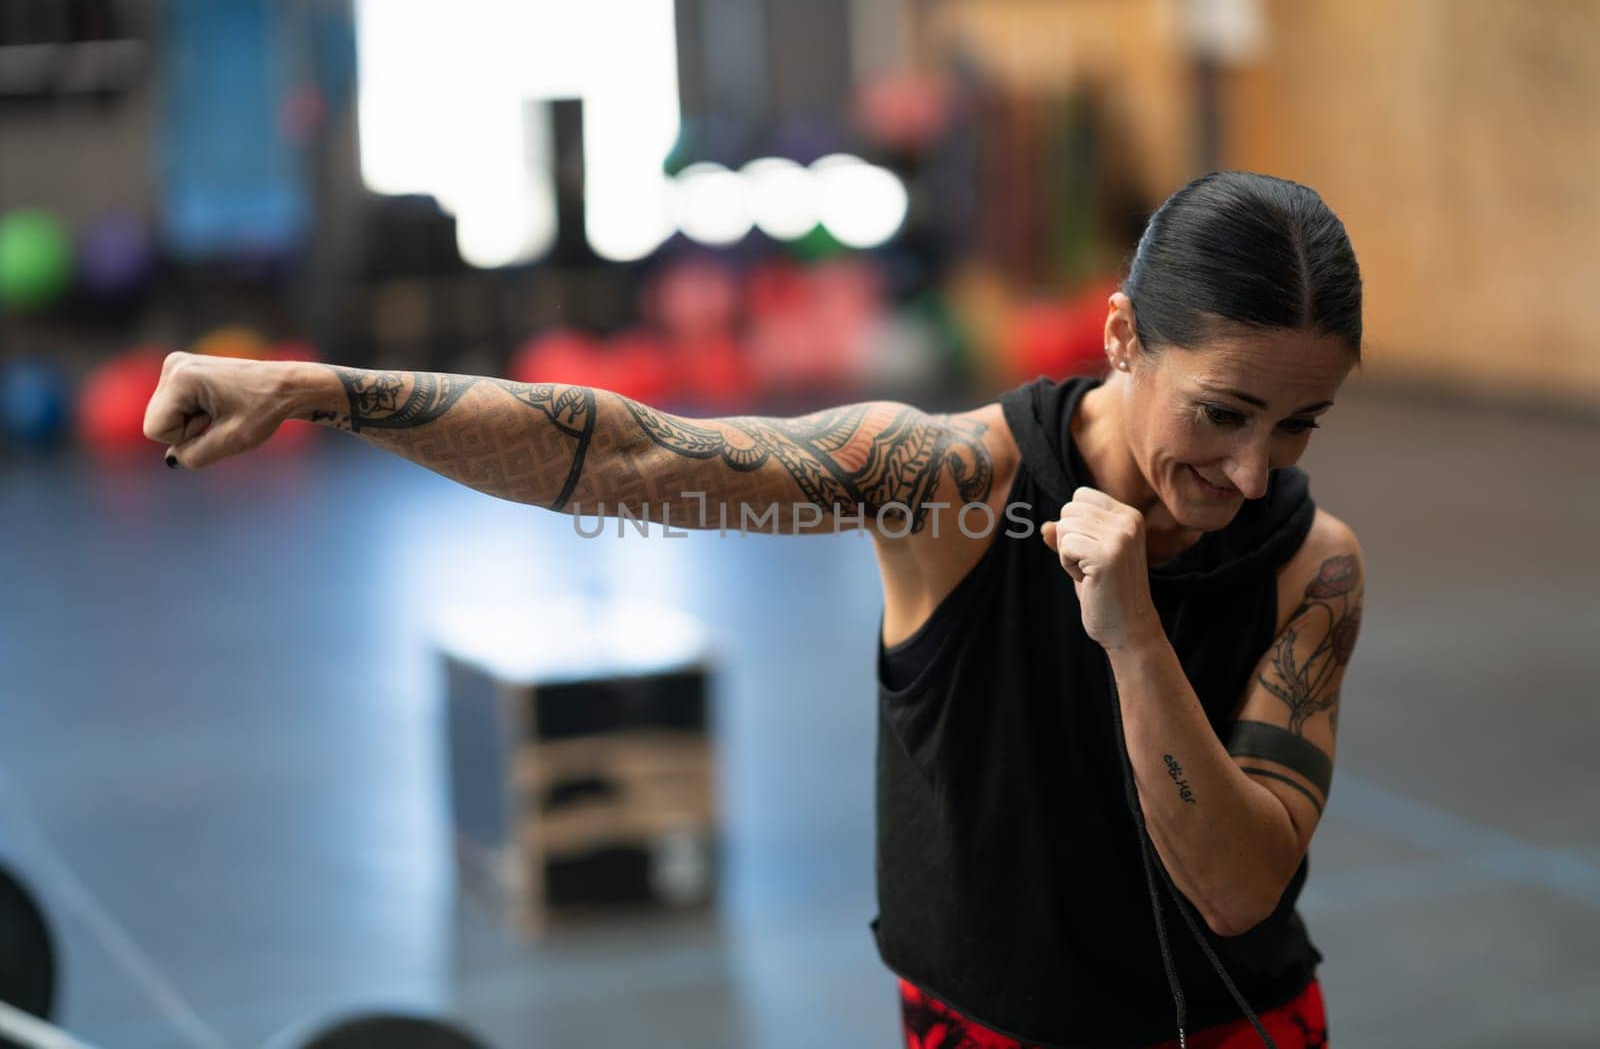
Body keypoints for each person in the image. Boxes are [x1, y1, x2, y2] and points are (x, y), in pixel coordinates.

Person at [143, 170, 1362, 1049]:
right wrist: (321, 389)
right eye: (1222, 410)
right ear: (1120, 337)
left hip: (1242, 1023)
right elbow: (637, 456)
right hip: (985, 1028)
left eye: (1297, 423)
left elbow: (1238, 886)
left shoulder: (1310, 564)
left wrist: (1133, 632)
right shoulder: (951, 484)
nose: (1254, 470)